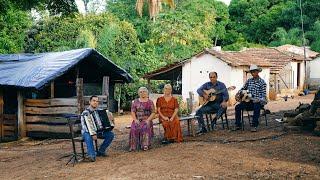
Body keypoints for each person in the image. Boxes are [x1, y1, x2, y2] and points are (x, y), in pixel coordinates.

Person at [81, 95, 115, 162]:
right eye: (94, 101)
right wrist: (93, 133)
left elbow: (105, 124)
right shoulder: (85, 112)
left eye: (97, 101)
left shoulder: (100, 111)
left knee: (110, 135)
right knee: (88, 136)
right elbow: (85, 127)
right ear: (90, 102)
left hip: (99, 132)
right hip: (87, 132)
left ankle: (101, 151)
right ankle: (92, 155)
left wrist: (111, 120)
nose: (95, 102)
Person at [234, 64, 267, 132]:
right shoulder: (249, 81)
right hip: (248, 101)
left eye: (254, 72)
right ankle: (238, 125)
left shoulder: (262, 82)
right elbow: (243, 89)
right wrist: (238, 93)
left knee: (256, 106)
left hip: (258, 102)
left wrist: (258, 99)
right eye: (251, 72)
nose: (252, 73)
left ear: (257, 72)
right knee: (237, 107)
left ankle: (254, 125)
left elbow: (263, 96)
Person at [129, 87, 156, 151]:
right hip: (137, 119)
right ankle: (133, 145)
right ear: (138, 93)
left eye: (144, 91)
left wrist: (148, 120)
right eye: (140, 92)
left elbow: (153, 112)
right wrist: (135, 120)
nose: (142, 93)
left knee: (145, 127)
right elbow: (132, 111)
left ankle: (145, 145)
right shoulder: (135, 102)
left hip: (147, 119)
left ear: (147, 93)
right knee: (133, 128)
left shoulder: (150, 102)